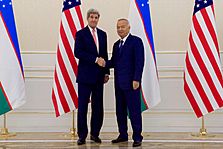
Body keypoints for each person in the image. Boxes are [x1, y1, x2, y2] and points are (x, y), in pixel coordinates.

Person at [106, 19, 144, 147]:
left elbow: (139, 62)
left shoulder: (136, 41)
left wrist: (136, 79)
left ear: (129, 27)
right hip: (118, 84)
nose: (120, 29)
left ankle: (137, 137)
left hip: (132, 83)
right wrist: (103, 63)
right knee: (120, 111)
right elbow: (114, 62)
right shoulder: (116, 45)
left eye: (122, 27)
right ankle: (123, 135)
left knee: (134, 111)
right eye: (118, 27)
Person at [74, 8, 109, 145]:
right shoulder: (81, 34)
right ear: (87, 19)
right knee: (82, 107)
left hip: (99, 77)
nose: (94, 19)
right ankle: (82, 135)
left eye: (96, 17)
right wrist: (95, 59)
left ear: (98, 19)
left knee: (98, 106)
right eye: (92, 17)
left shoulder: (103, 34)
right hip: (84, 77)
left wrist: (106, 72)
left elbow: (104, 54)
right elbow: (78, 52)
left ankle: (95, 133)